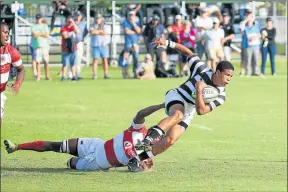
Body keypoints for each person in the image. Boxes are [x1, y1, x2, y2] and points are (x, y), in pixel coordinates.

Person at [134, 35, 234, 162]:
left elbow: (201, 111)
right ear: (218, 72)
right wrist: (167, 43)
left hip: (190, 109)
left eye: (231, 76)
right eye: (227, 75)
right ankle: (146, 141)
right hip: (177, 95)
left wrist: (199, 91)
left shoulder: (221, 95)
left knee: (170, 140)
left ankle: (138, 157)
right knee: (178, 115)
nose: (229, 79)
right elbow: (188, 53)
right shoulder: (202, 70)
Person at [4, 103, 165, 172]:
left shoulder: (146, 151)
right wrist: (161, 105)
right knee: (57, 146)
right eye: (155, 134)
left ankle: (73, 163)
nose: (155, 137)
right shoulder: (138, 130)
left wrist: (140, 166)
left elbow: (137, 166)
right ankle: (17, 146)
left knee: (70, 163)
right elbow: (141, 113)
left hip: (96, 163)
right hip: (95, 146)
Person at [0, 22, 25, 123]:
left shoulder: (11, 52)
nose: (7, 35)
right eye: (4, 32)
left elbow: (21, 69)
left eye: (8, 33)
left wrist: (18, 84)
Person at [240, 10, 261, 77]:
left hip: (255, 45)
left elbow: (259, 35)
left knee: (255, 59)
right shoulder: (245, 26)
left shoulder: (255, 26)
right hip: (248, 45)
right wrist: (246, 19)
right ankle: (248, 72)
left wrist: (254, 38)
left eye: (250, 17)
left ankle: (256, 72)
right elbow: (241, 28)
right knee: (248, 59)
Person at [30, 13, 50, 81]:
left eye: (39, 18)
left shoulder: (45, 26)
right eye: (37, 18)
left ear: (41, 19)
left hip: (45, 46)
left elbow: (47, 35)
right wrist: (42, 34)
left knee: (46, 61)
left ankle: (47, 75)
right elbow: (34, 35)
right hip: (37, 46)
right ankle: (38, 76)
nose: (38, 20)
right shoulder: (33, 26)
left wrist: (38, 34)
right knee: (38, 62)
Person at [90, 14, 110, 80]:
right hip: (95, 45)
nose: (97, 20)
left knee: (105, 60)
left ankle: (106, 74)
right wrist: (100, 32)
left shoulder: (105, 25)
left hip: (103, 45)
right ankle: (94, 74)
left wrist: (97, 32)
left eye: (99, 18)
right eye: (96, 18)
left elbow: (105, 33)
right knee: (95, 60)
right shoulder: (92, 25)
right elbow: (92, 32)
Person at [122, 11, 142, 78]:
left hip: (135, 42)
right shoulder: (125, 22)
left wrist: (133, 23)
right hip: (128, 42)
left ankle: (135, 73)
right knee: (126, 59)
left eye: (132, 15)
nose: (131, 16)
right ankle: (125, 73)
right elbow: (127, 31)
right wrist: (135, 32)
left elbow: (139, 31)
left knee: (135, 58)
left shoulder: (137, 22)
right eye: (130, 15)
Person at [60, 15, 79, 81]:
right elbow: (65, 36)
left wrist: (73, 23)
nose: (69, 23)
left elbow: (77, 31)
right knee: (65, 64)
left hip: (73, 48)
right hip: (66, 48)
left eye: (70, 22)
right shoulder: (63, 27)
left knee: (73, 63)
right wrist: (71, 33)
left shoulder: (73, 27)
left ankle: (73, 76)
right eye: (68, 21)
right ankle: (63, 76)